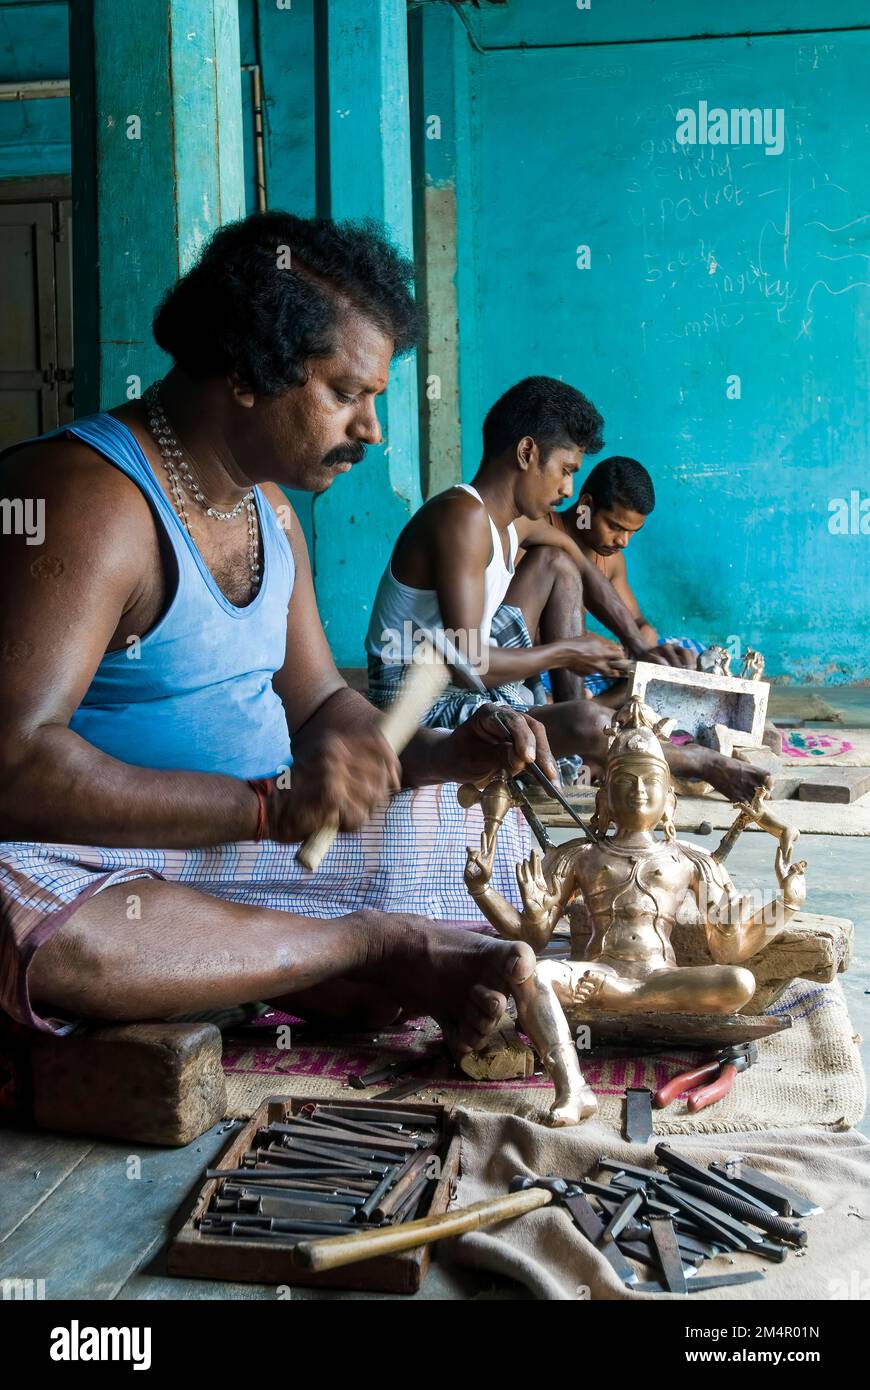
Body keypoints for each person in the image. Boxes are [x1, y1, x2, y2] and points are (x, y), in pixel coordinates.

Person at [0, 211, 552, 1049]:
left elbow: (323, 700)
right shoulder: (89, 499)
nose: (371, 429)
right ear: (248, 374)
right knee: (31, 923)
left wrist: (412, 752)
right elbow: (15, 763)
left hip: (236, 851)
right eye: (345, 394)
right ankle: (357, 950)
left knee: (489, 833)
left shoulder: (272, 514)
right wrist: (267, 808)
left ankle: (269, 964)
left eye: (375, 398)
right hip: (89, 862)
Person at [365, 377, 770, 799]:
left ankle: (570, 749)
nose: (567, 490)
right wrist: (569, 651)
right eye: (566, 470)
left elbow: (576, 563)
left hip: (460, 674)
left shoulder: (509, 522)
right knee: (590, 721)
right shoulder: (462, 517)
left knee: (556, 562)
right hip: (416, 702)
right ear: (527, 453)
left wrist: (636, 645)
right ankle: (696, 763)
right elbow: (471, 664)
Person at [549, 455, 704, 700]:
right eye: (615, 527)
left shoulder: (610, 559)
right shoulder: (542, 539)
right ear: (585, 507)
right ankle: (594, 707)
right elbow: (527, 632)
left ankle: (607, 700)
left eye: (632, 532)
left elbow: (637, 622)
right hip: (550, 662)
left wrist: (643, 640)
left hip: (599, 662)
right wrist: (603, 648)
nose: (623, 541)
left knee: (691, 652)